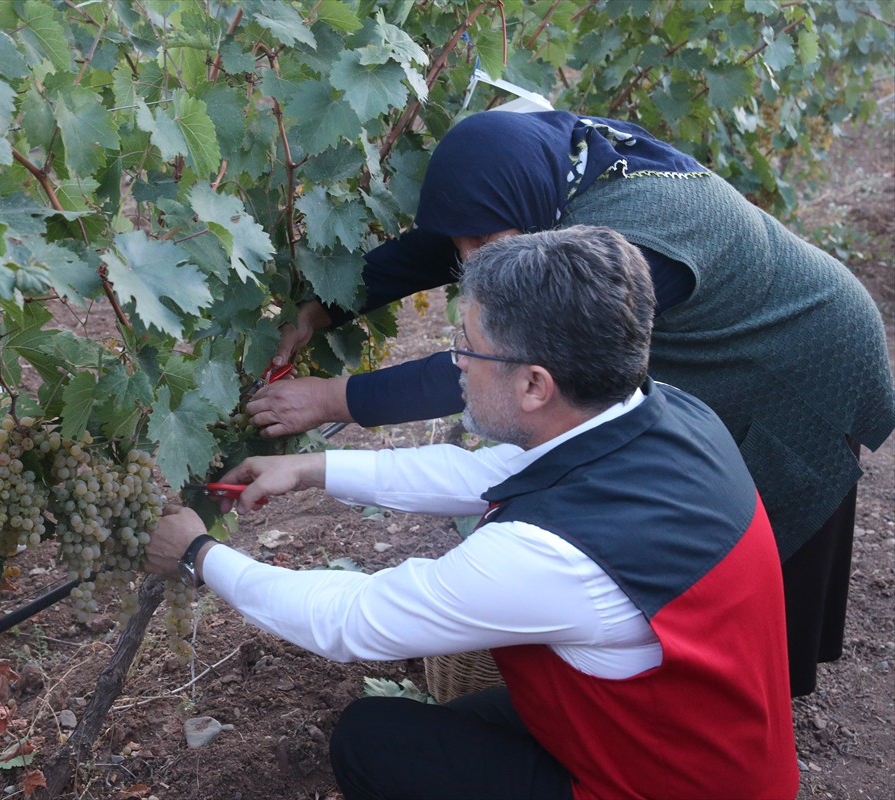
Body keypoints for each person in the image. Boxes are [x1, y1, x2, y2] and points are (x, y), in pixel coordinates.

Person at [244, 109, 895, 696]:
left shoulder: (632, 246)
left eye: (482, 248)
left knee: (756, 509)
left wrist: (336, 397)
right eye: (463, 247)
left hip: (805, 354)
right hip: (774, 318)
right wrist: (321, 310)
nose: (467, 264)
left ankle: (748, 687)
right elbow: (466, 225)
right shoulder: (545, 170)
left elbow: (497, 368)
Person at [145, 227, 799, 799]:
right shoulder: (667, 416)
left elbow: (350, 621)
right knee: (472, 718)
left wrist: (201, 557)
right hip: (704, 757)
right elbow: (488, 474)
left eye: (469, 347)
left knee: (373, 740)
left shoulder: (553, 556)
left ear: (535, 385)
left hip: (663, 789)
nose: (456, 362)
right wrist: (312, 469)